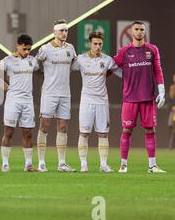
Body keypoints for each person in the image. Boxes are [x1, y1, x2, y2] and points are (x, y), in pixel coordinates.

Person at [113, 21, 166, 173]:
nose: (139, 32)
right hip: (129, 98)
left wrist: (161, 90)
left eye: (142, 29)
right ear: (131, 32)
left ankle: (152, 166)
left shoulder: (152, 49)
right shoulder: (124, 51)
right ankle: (123, 165)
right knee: (126, 130)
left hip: (148, 98)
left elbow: (158, 69)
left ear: (144, 32)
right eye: (136, 29)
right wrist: (124, 75)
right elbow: (112, 65)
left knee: (150, 130)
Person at [71, 31, 121, 172]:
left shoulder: (107, 60)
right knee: (84, 133)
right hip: (86, 100)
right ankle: (83, 165)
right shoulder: (80, 59)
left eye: (100, 44)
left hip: (102, 101)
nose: (98, 46)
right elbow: (65, 69)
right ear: (89, 43)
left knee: (103, 133)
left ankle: (103, 165)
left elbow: (122, 73)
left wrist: (137, 77)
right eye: (95, 44)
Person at [35, 19, 77, 172]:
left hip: (65, 93)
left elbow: (74, 65)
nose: (64, 33)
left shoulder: (70, 48)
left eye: (66, 30)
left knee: (63, 127)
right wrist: (42, 74)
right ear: (54, 32)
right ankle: (41, 162)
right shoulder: (45, 49)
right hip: (49, 92)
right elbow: (36, 64)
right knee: (44, 125)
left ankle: (61, 163)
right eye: (61, 31)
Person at [0, 34, 39, 172]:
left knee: (28, 133)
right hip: (13, 100)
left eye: (29, 49)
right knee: (8, 131)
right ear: (18, 46)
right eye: (25, 49)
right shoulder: (8, 60)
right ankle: (5, 164)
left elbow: (42, 70)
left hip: (28, 100)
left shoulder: (33, 61)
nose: (27, 52)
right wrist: (4, 86)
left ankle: (28, 165)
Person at [167, 74, 175, 149]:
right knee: (170, 125)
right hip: (173, 111)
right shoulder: (172, 88)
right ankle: (170, 146)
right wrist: (172, 107)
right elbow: (169, 100)